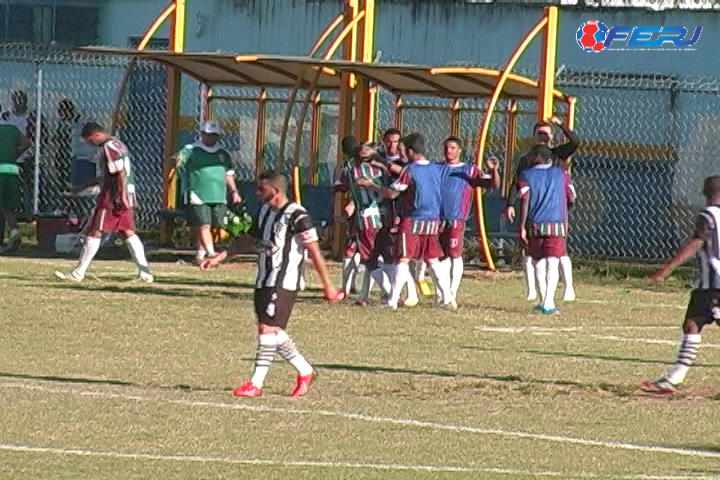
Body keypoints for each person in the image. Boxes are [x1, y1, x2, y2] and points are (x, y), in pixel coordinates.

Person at [201, 170, 345, 397]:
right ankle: (305, 370)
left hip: (285, 280)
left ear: (275, 191)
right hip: (264, 278)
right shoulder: (266, 211)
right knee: (273, 332)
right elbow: (250, 238)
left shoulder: (298, 216)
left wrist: (328, 285)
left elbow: (314, 251)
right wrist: (222, 256)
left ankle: (255, 384)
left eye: (262, 189)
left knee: (266, 329)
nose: (257, 193)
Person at [640, 176, 720, 395]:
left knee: (692, 325)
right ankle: (674, 377)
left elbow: (697, 242)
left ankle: (674, 378)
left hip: (712, 284)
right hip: (711, 284)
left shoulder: (708, 215)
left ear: (704, 192)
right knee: (692, 324)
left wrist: (667, 269)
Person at [358, 133, 454, 309]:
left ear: (410, 151)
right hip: (432, 220)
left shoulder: (410, 171)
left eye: (404, 151)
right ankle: (447, 298)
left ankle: (392, 300)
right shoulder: (435, 168)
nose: (403, 155)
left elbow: (392, 193)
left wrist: (370, 185)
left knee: (403, 259)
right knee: (432, 259)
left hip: (412, 220)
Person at [54, 122, 153, 283]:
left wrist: (120, 196)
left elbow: (119, 172)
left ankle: (79, 272)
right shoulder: (118, 144)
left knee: (95, 230)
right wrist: (83, 186)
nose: (90, 144)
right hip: (126, 192)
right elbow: (110, 173)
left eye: (90, 140)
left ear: (96, 135)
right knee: (127, 231)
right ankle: (145, 272)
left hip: (113, 196)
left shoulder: (108, 147)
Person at [506, 117, 579, 303]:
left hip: (553, 210)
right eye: (540, 133)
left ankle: (568, 288)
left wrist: (561, 123)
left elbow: (575, 142)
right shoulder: (527, 161)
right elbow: (517, 183)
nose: (543, 137)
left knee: (559, 254)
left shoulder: (556, 155)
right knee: (532, 254)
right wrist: (510, 204)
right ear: (533, 136)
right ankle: (533, 291)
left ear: (552, 135)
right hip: (534, 210)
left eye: (547, 133)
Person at [439, 136, 500, 300]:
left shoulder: (469, 170)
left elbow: (492, 184)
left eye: (452, 147)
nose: (449, 151)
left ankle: (452, 291)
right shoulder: (437, 168)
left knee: (454, 254)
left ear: (459, 150)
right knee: (440, 256)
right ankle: (443, 292)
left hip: (456, 219)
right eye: (446, 147)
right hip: (437, 220)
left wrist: (493, 170)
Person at [173, 120, 242, 265]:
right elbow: (177, 161)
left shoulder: (223, 153)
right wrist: (176, 161)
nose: (210, 138)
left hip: (218, 195)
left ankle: (200, 254)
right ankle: (211, 253)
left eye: (213, 135)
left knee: (214, 225)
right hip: (198, 194)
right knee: (204, 225)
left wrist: (234, 191)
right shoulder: (191, 149)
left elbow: (228, 174)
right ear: (201, 134)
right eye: (207, 134)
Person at [517, 146, 576, 314]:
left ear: (534, 157)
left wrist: (522, 225)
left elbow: (525, 200)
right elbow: (572, 197)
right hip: (557, 223)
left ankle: (544, 300)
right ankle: (549, 302)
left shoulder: (526, 175)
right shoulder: (562, 174)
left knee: (538, 261)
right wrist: (564, 210)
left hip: (535, 223)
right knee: (553, 261)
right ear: (549, 160)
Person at [333, 140, 392, 306]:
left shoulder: (352, 169)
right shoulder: (385, 170)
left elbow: (341, 187)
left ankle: (390, 292)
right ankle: (363, 297)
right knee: (378, 258)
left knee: (370, 260)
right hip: (384, 217)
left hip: (366, 218)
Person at [376, 129, 419, 307]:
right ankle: (394, 293)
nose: (392, 145)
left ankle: (407, 294)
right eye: (389, 141)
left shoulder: (404, 166)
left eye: (395, 142)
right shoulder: (379, 160)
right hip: (383, 210)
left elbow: (398, 188)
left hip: (400, 213)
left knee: (399, 256)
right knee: (388, 254)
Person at [0, 111, 30, 252]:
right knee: (8, 206)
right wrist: (14, 154)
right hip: (11, 168)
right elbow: (26, 143)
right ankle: (14, 231)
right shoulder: (11, 128)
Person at [336, 136, 361, 296]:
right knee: (360, 251)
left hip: (360, 212)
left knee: (352, 250)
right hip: (375, 212)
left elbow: (340, 186)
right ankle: (350, 286)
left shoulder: (349, 167)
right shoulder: (374, 164)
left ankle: (346, 286)